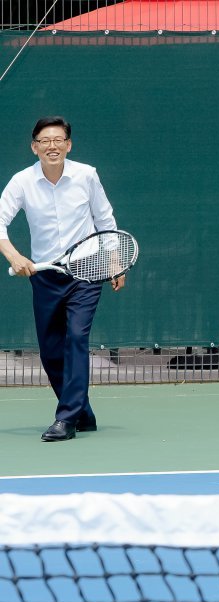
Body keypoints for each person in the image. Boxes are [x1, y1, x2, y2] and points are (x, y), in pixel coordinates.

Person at [0, 117, 124, 442]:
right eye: (45, 141)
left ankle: (66, 418)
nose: (52, 146)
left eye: (58, 140)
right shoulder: (21, 182)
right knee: (50, 351)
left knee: (77, 340)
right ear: (34, 147)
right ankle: (82, 412)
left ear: (68, 145)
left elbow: (104, 217)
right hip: (45, 276)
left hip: (86, 271)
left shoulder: (87, 175)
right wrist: (14, 256)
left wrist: (114, 261)